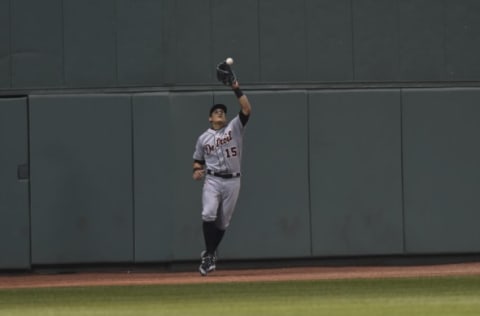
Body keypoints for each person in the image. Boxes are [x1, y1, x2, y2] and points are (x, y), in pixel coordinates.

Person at [192, 80, 252, 276]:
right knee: (208, 213)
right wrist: (196, 172)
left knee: (223, 223)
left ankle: (208, 254)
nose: (220, 112)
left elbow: (246, 108)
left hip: (234, 180)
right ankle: (210, 256)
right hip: (213, 180)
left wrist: (236, 87)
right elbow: (198, 161)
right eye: (216, 111)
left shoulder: (234, 128)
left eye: (222, 111)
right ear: (210, 118)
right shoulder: (203, 138)